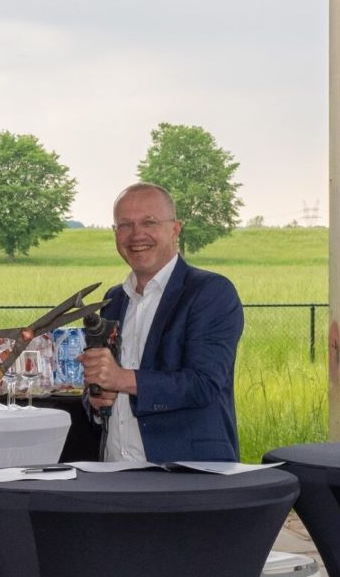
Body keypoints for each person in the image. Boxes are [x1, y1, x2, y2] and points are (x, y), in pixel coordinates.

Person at [80, 182, 244, 462]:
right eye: (125, 225)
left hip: (186, 478)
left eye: (149, 222)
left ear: (175, 229)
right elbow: (100, 383)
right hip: (113, 474)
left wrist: (122, 378)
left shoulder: (210, 292)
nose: (136, 235)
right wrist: (95, 401)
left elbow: (203, 384)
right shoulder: (113, 300)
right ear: (115, 233)